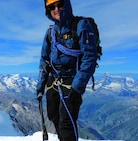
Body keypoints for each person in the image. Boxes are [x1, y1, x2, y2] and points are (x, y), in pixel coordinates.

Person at [36, 0, 98, 141]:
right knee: (53, 116)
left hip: (71, 81)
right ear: (48, 10)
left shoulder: (81, 25)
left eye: (60, 4)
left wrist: (77, 87)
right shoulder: (51, 32)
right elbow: (44, 60)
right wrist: (40, 86)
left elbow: (89, 57)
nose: (56, 9)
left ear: (67, 4)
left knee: (67, 122)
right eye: (52, 7)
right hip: (53, 79)